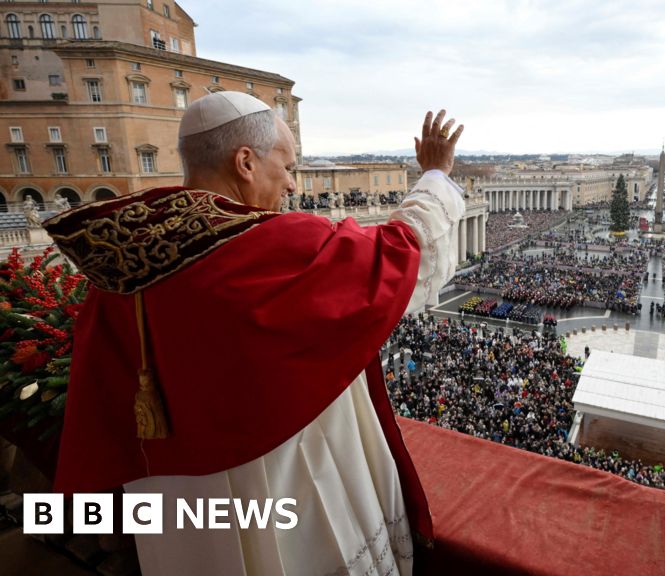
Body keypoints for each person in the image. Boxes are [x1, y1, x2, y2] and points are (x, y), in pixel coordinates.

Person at [43, 92, 467, 576]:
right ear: (245, 162)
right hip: (283, 485)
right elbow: (403, 253)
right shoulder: (271, 245)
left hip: (177, 504)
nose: (291, 184)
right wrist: (435, 175)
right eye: (286, 166)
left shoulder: (120, 267)